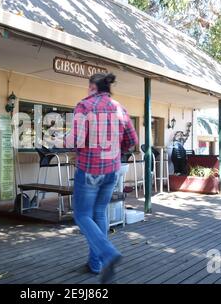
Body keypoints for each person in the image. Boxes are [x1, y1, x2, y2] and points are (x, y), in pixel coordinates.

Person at [67, 72, 138, 283]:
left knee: (82, 215)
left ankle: (108, 254)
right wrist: (117, 148)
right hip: (112, 169)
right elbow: (132, 140)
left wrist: (62, 139)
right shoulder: (120, 108)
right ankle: (96, 264)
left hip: (90, 169)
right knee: (99, 212)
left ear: (92, 87)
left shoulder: (84, 106)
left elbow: (76, 141)